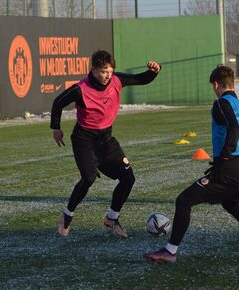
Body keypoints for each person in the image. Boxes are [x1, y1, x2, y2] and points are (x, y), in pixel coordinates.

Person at [143, 65, 239, 263]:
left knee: (184, 200)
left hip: (230, 167)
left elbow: (234, 129)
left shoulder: (221, 103)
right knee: (230, 203)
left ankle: (170, 251)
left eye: (214, 86)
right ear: (234, 83)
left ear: (217, 85)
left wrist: (224, 160)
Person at [51, 50, 161, 238]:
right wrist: (56, 128)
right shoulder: (80, 89)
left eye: (110, 71)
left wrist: (153, 72)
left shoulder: (116, 80)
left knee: (128, 178)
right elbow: (58, 102)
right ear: (93, 70)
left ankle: (112, 218)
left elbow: (140, 79)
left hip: (106, 140)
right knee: (89, 178)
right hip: (84, 139)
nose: (107, 75)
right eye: (103, 71)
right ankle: (67, 216)